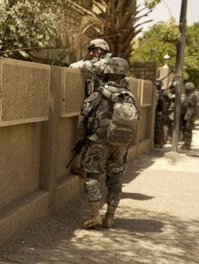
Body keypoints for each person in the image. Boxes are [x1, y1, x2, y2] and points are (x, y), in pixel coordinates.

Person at [75, 57, 139, 229]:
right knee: (115, 180)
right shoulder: (129, 97)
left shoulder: (98, 94)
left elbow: (83, 117)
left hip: (99, 142)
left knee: (93, 177)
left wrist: (80, 138)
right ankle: (110, 217)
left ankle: (95, 215)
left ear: (106, 72)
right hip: (120, 145)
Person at [181, 82, 198, 150]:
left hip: (189, 115)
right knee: (185, 129)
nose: (184, 89)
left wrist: (188, 118)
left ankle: (187, 144)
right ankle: (186, 143)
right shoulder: (189, 95)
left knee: (188, 130)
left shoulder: (192, 96)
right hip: (187, 115)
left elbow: (190, 108)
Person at [154, 80, 165, 148]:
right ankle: (160, 143)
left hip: (158, 113)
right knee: (160, 128)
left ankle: (158, 144)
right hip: (161, 113)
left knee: (157, 129)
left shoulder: (158, 94)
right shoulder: (162, 93)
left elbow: (156, 104)